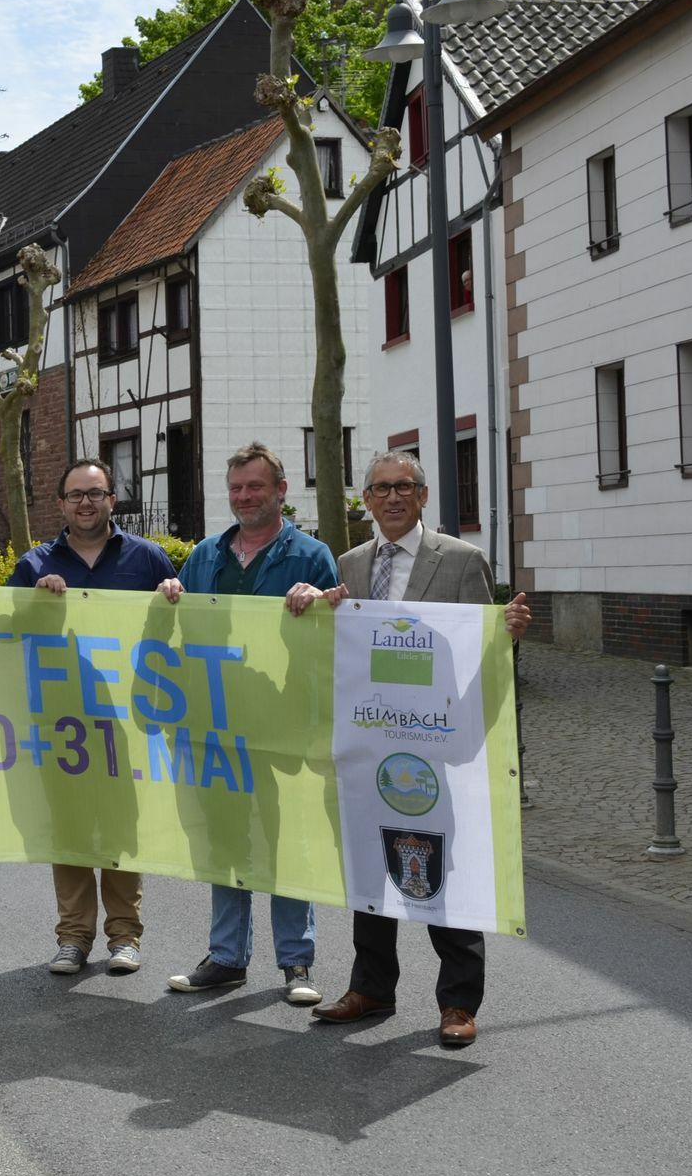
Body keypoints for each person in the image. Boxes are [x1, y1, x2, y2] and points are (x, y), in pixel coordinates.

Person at [294, 451, 532, 1048]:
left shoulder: (461, 560)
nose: (393, 497)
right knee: (370, 866)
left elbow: (483, 653)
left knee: (439, 866)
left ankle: (458, 1001)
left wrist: (506, 638)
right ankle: (371, 987)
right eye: (381, 488)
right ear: (367, 500)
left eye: (404, 486)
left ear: (423, 496)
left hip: (434, 741)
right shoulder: (350, 563)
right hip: (371, 740)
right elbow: (340, 653)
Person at [155, 442, 336, 1007]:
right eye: (236, 488)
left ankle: (296, 960)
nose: (244, 497)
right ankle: (227, 957)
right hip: (216, 723)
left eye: (255, 486)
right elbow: (178, 635)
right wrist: (168, 597)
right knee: (225, 839)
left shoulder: (312, 556)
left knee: (287, 841)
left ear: (281, 491)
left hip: (284, 724)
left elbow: (336, 640)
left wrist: (321, 602)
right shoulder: (204, 557)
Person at [8, 458, 177, 977]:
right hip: (61, 720)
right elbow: (6, 634)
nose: (86, 503)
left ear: (111, 500)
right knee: (71, 826)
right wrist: (34, 605)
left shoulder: (147, 559)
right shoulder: (34, 565)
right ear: (60, 504)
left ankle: (124, 936)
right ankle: (73, 937)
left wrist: (173, 600)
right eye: (77, 495)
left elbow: (179, 632)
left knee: (122, 825)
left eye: (96, 493)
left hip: (126, 718)